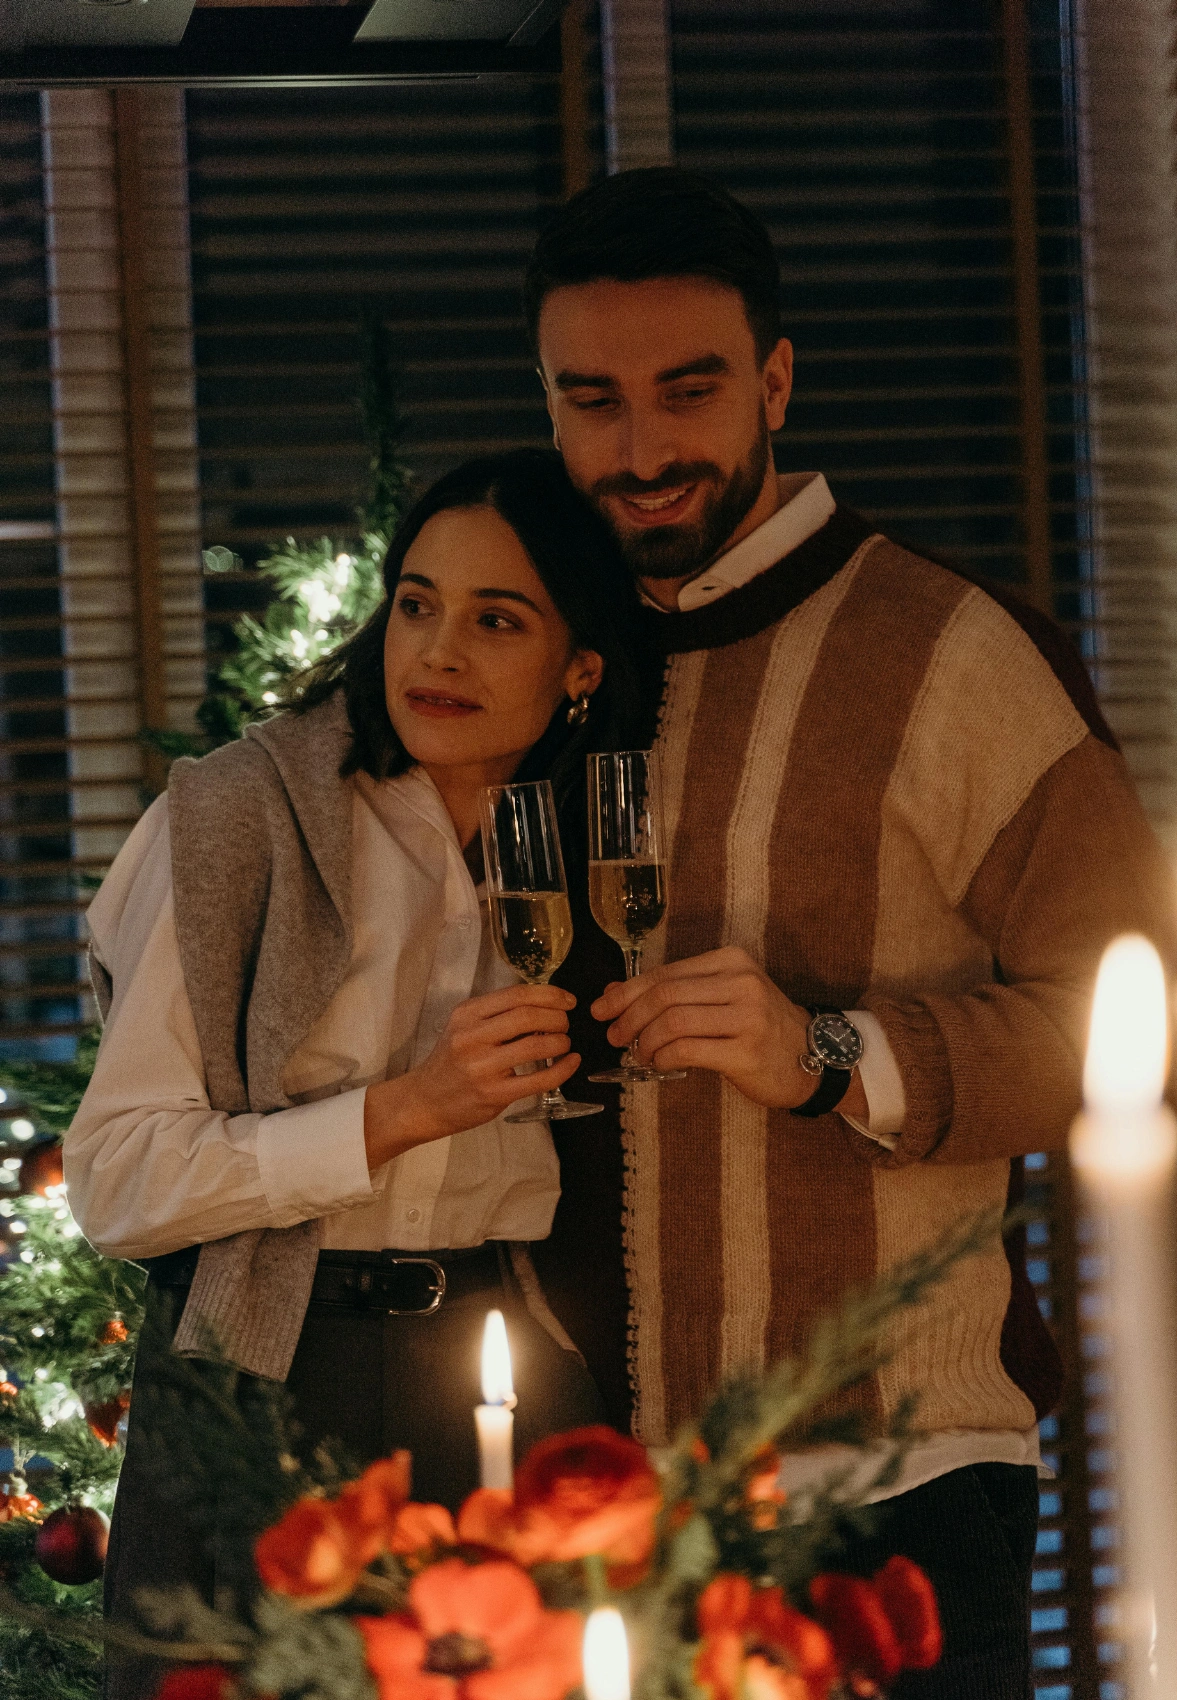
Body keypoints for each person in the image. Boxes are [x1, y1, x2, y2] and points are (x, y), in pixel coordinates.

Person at [522, 169, 1177, 1699]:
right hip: (575, 1505)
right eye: (591, 400)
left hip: (887, 1490)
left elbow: (1133, 1023)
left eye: (689, 393)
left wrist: (830, 1054)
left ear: (777, 380)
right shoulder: (527, 648)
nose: (640, 451)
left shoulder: (954, 650)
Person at [63, 448, 651, 1700]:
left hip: (511, 1367)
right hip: (272, 1381)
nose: (436, 650)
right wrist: (401, 1112)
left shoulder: (602, 836)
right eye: (418, 602)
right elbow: (113, 1181)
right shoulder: (235, 820)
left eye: (497, 621)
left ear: (580, 668)